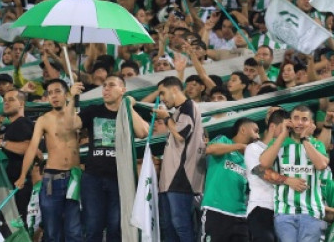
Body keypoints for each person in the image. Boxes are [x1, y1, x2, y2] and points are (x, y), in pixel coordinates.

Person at [78, 75, 149, 242]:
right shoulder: (93, 110)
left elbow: (143, 132)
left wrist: (128, 105)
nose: (106, 89)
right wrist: (72, 97)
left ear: (123, 90)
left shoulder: (127, 112)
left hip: (119, 179)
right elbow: (72, 124)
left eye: (111, 85)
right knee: (93, 227)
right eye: (104, 85)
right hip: (93, 177)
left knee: (116, 227)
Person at [15, 79, 84, 242]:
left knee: (74, 231)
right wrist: (23, 175)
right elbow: (32, 147)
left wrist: (73, 98)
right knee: (52, 232)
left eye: (57, 91)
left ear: (66, 94)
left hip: (74, 177)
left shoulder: (77, 117)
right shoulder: (44, 120)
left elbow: (75, 128)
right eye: (50, 93)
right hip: (52, 179)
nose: (53, 96)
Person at [260, 104, 329, 242]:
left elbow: (321, 164)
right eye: (296, 118)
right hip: (284, 212)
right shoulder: (278, 143)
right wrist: (282, 135)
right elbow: (264, 163)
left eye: (304, 119)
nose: (300, 122)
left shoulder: (316, 144)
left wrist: (304, 139)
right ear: (289, 121)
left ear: (311, 123)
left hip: (311, 212)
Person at [155, 75, 205, 242]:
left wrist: (166, 117)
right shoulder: (178, 111)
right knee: (168, 226)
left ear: (175, 89)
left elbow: (181, 134)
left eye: (163, 93)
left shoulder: (188, 106)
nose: (161, 98)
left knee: (180, 225)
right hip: (169, 179)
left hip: (181, 177)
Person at [200, 117, 259, 242]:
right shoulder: (224, 140)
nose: (258, 136)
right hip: (216, 210)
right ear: (243, 129)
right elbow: (210, 149)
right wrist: (240, 146)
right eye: (255, 131)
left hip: (240, 216)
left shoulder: (250, 158)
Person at [246, 109, 296, 242]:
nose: (287, 132)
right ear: (273, 126)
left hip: (283, 211)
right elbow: (265, 174)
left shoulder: (285, 152)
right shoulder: (253, 148)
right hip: (261, 207)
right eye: (285, 128)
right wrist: (288, 180)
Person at [0, 89, 34, 221]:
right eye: (5, 100)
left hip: (19, 184)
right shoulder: (11, 126)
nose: (6, 103)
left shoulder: (22, 123)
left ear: (21, 104)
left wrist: (1, 143)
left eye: (11, 100)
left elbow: (28, 149)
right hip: (12, 184)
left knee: (18, 224)